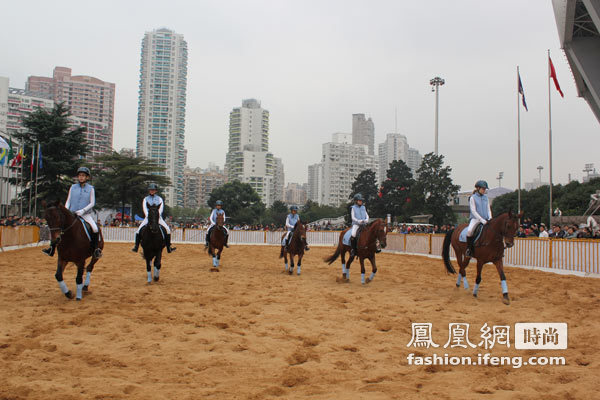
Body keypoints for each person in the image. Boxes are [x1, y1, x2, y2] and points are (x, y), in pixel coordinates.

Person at [43, 167, 102, 258]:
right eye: (80, 175)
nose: (81, 177)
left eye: (83, 176)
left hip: (85, 214)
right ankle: (51, 248)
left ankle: (95, 249)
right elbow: (68, 200)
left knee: (95, 229)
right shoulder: (73, 187)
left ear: (87, 177)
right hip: (71, 213)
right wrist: (66, 210)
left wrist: (83, 211)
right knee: (58, 227)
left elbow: (92, 203)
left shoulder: (91, 188)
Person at [131, 183, 176, 253]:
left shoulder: (159, 199)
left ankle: (168, 247)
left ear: (155, 191)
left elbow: (161, 208)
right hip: (148, 217)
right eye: (151, 190)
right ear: (149, 191)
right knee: (138, 230)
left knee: (168, 230)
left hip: (158, 217)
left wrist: (157, 215)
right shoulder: (145, 199)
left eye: (153, 190)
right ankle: (136, 246)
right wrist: (148, 215)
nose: (152, 191)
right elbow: (144, 208)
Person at [465, 180, 492, 257]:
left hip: (486, 219)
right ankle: (469, 249)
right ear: (478, 188)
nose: (484, 190)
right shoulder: (472, 198)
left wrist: (490, 218)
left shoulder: (486, 198)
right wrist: (481, 220)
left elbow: (488, 209)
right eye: (483, 189)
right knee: (469, 231)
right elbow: (473, 211)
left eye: (485, 189)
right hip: (475, 219)